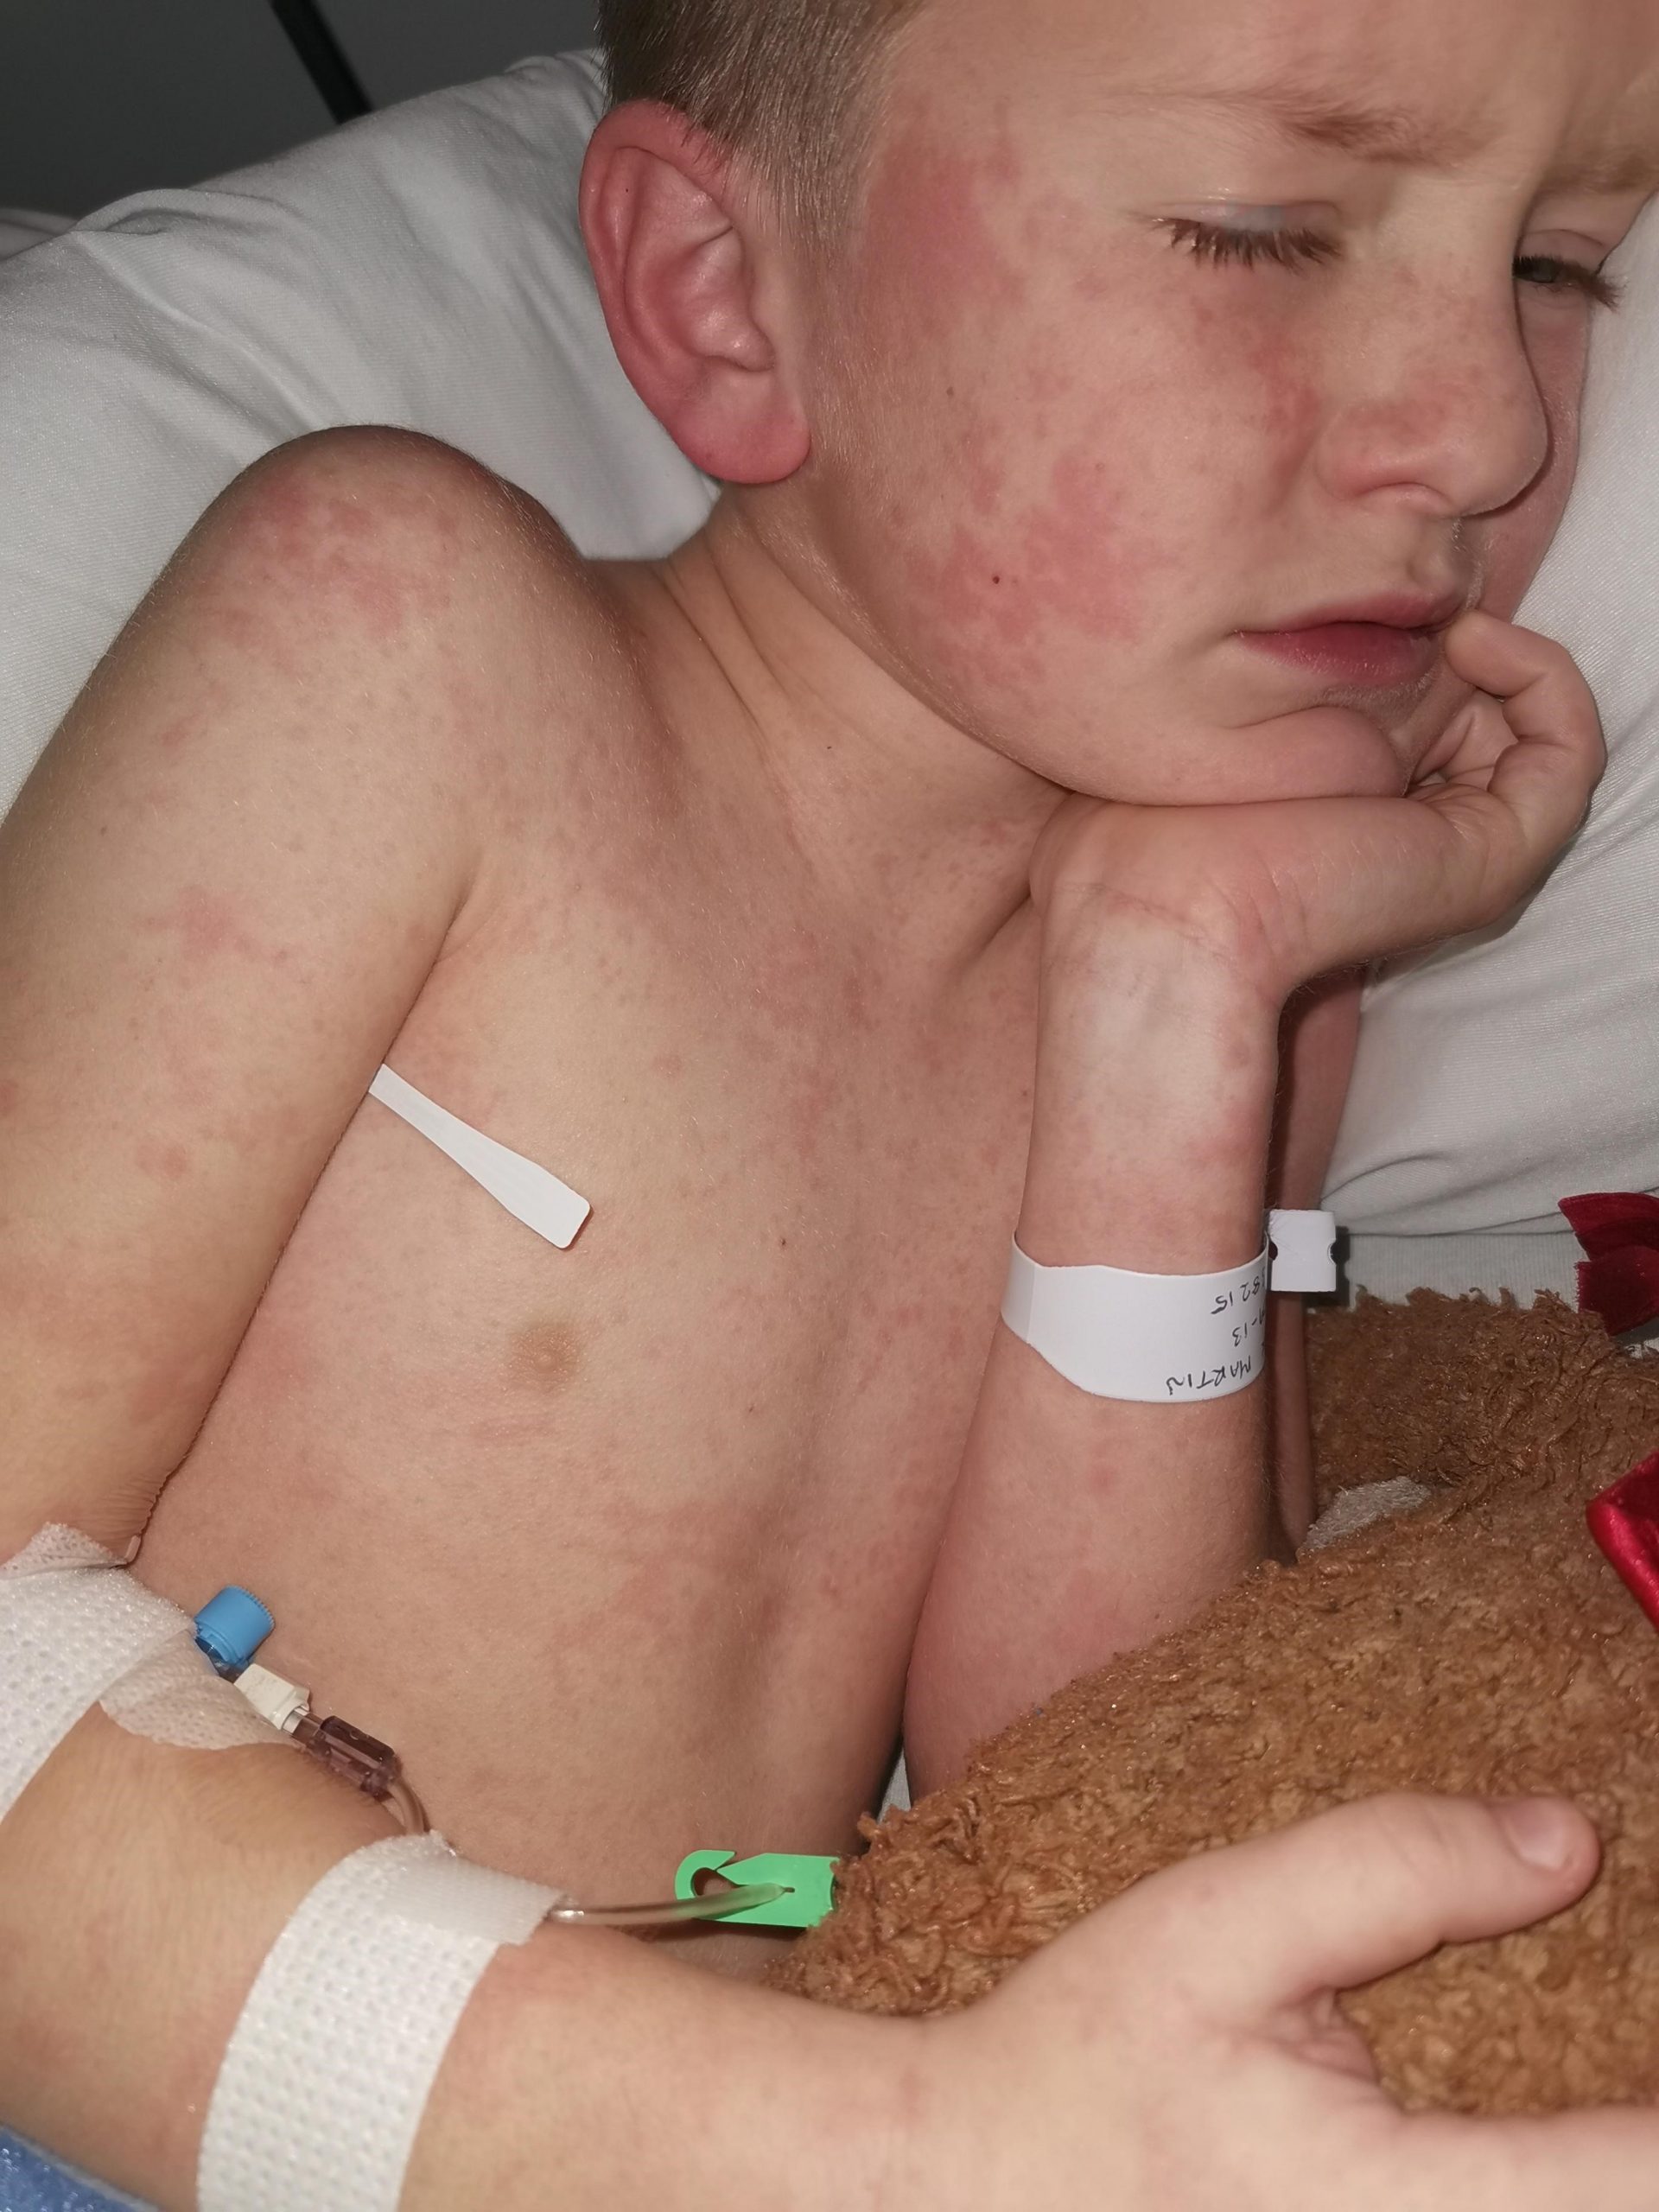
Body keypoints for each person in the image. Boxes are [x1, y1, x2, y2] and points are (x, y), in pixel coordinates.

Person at [3, 0, 1658, 2204]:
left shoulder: (1236, 958)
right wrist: (896, 2145)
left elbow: (1079, 1787)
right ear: (726, 295)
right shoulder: (405, 643)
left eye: (1553, 266)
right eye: (1265, 231)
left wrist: (1176, 996)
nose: (1484, 432)